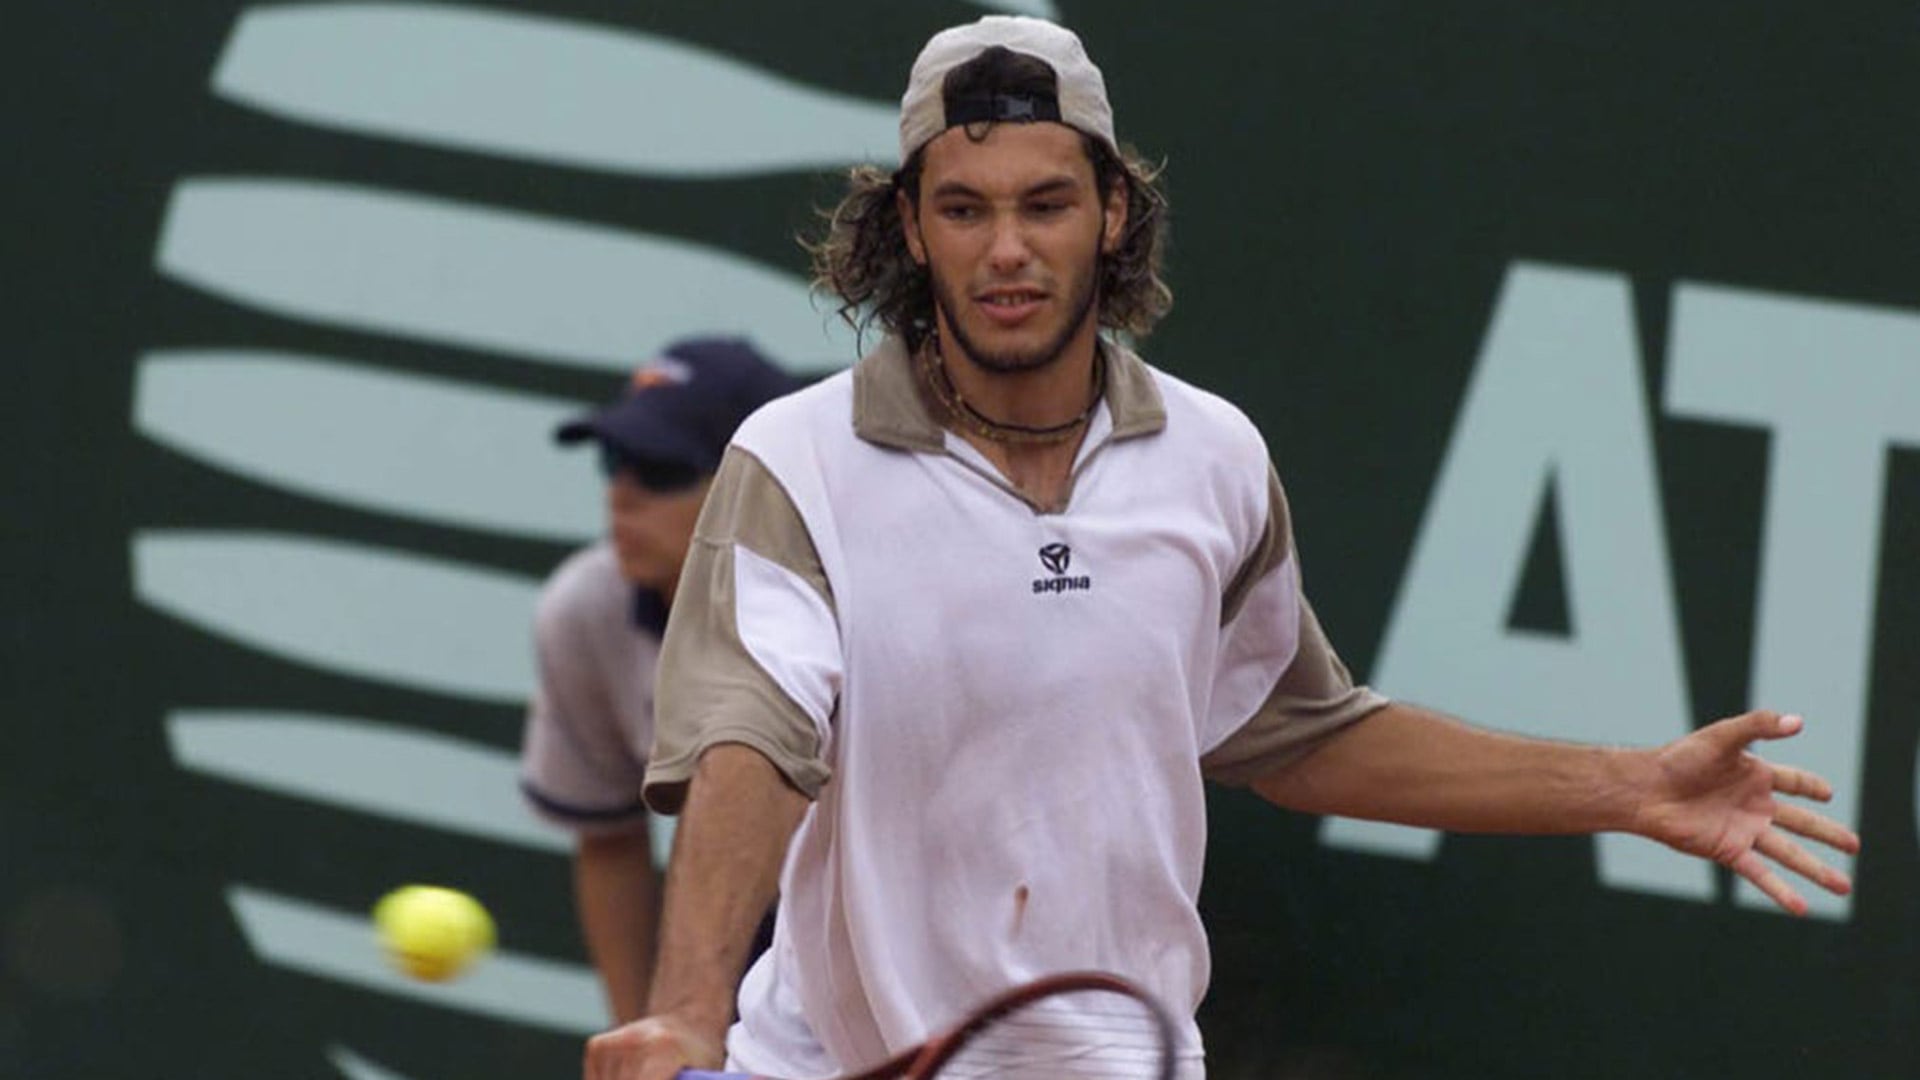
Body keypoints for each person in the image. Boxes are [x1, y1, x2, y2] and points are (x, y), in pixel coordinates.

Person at [584, 17, 1861, 1079]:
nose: (1007, 251)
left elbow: (1301, 734)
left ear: (1112, 214)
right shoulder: (795, 462)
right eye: (963, 209)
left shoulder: (1213, 459)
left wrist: (1629, 789)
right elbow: (753, 741)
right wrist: (690, 1009)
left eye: (1046, 203)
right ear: (911, 229)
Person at [518, 337, 800, 1024]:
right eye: (613, 462)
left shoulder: (847, 610)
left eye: (660, 470)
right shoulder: (586, 610)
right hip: (730, 931)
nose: (622, 493)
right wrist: (642, 1033)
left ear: (753, 489)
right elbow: (609, 838)